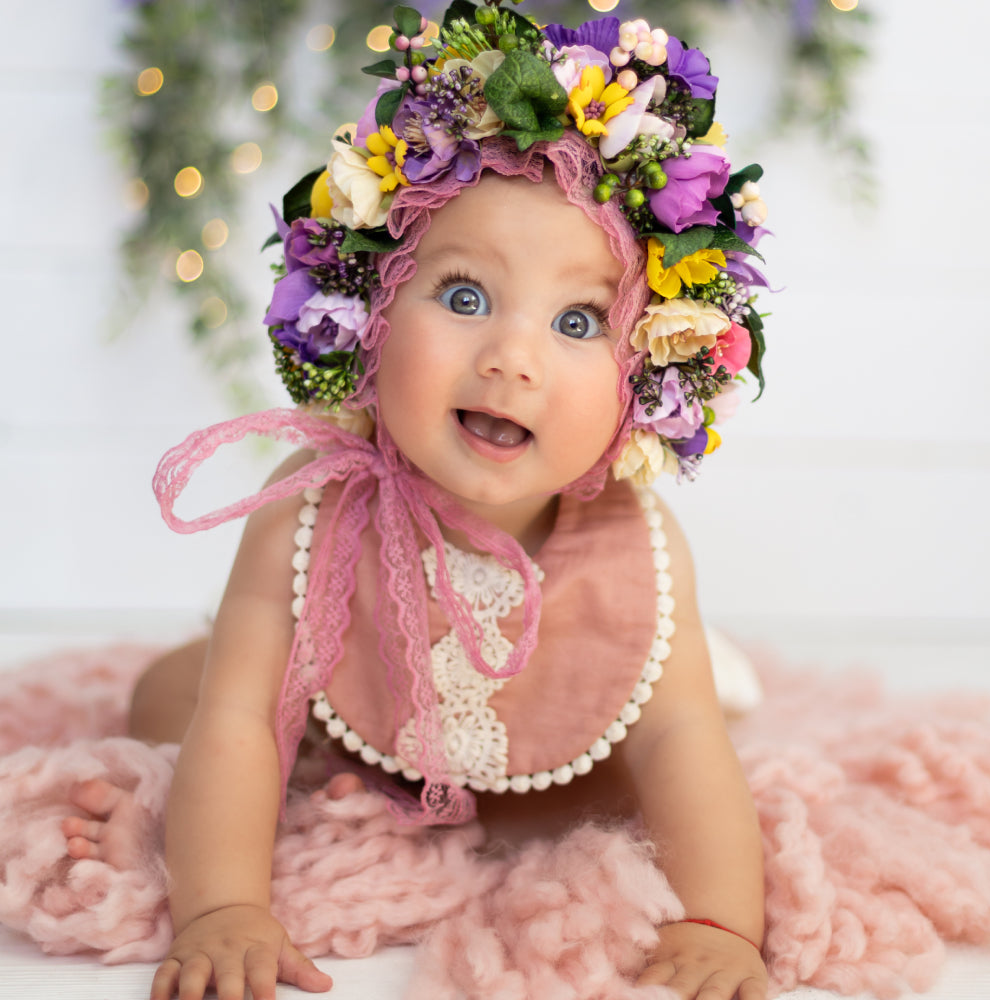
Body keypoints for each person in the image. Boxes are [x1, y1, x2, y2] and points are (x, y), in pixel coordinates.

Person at [61, 3, 773, 998]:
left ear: (647, 380)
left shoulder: (635, 550)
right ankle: (357, 753)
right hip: (361, 705)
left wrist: (719, 925)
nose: (510, 358)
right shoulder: (308, 512)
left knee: (623, 778)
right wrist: (222, 907)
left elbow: (679, 742)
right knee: (182, 699)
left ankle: (682, 685)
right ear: (372, 314)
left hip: (544, 722)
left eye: (577, 320)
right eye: (465, 297)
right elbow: (236, 722)